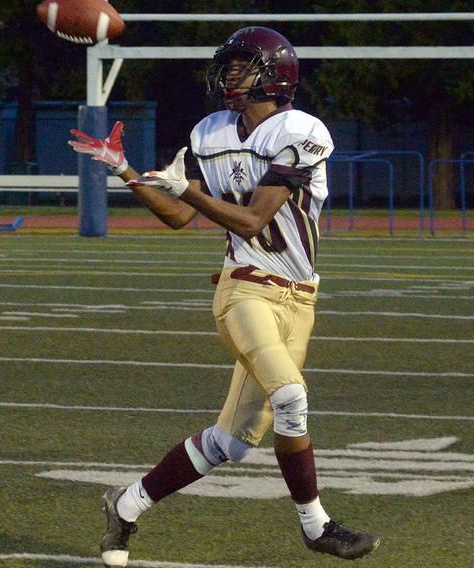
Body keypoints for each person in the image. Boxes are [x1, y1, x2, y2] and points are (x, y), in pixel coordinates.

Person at [69, 26, 380, 567]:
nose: (230, 74)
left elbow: (256, 217)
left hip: (298, 299)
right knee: (291, 397)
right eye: (229, 65)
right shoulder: (211, 131)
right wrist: (126, 172)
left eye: (243, 65)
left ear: (276, 75)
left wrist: (183, 187)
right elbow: (181, 216)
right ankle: (316, 525)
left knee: (230, 443)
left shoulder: (300, 130)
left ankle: (125, 505)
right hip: (244, 291)